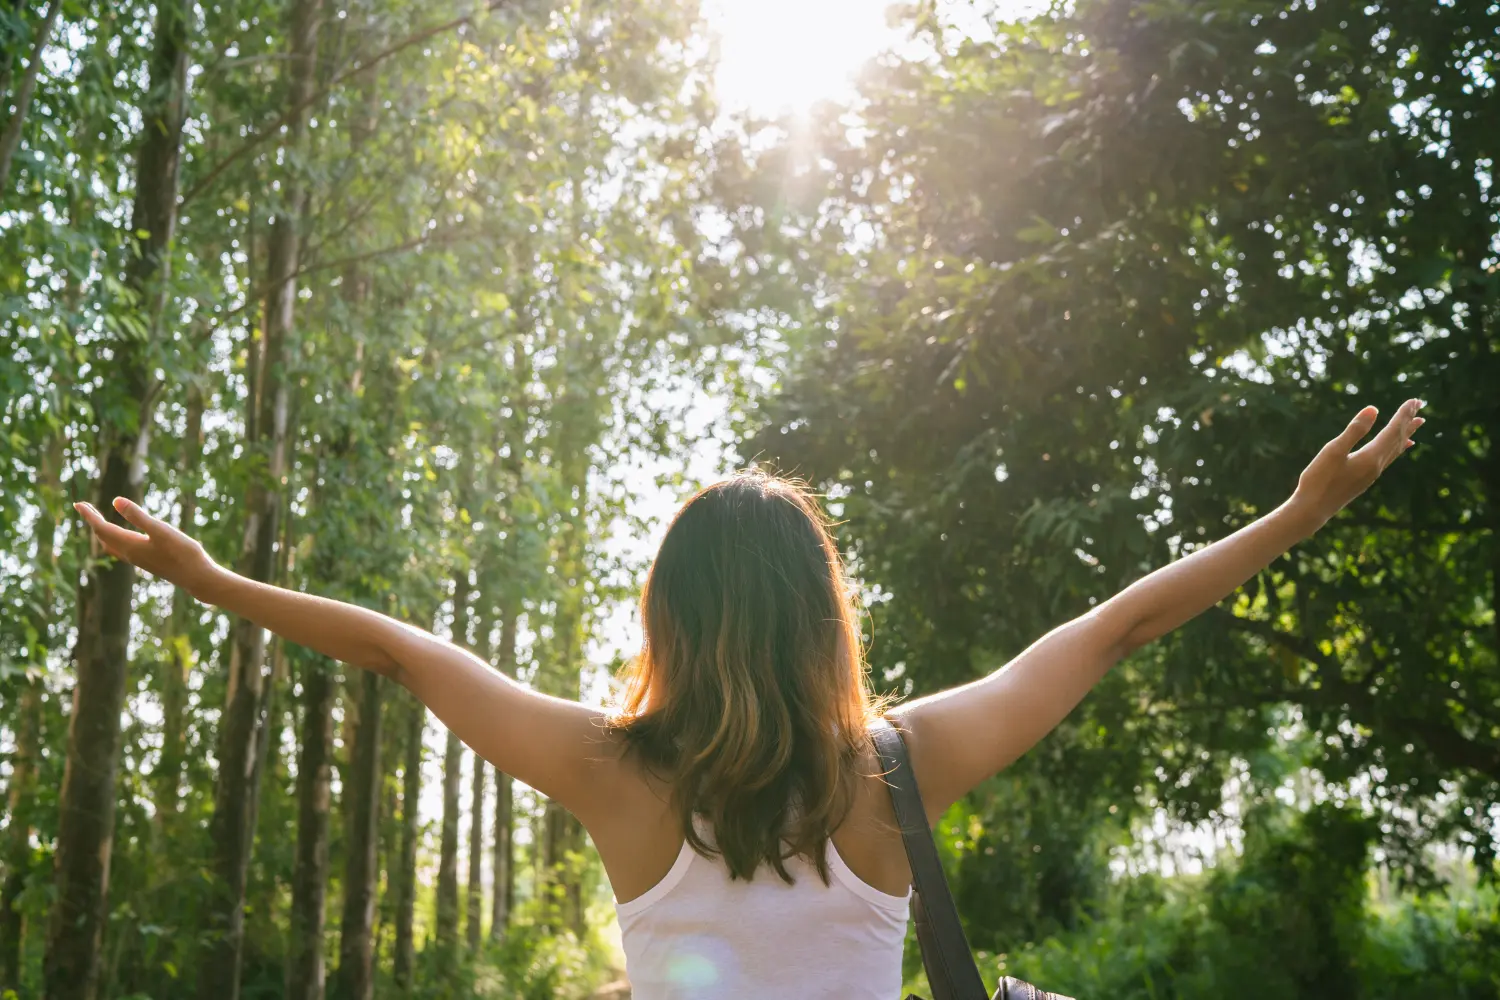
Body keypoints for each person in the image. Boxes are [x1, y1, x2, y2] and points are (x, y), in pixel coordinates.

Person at [76, 399, 1425, 999]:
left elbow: (403, 652)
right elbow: (1117, 627)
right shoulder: (901, 767)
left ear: (669, 613)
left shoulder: (613, 772)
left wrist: (212, 579)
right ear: (821, 610)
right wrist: (1296, 516)